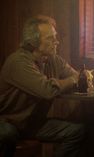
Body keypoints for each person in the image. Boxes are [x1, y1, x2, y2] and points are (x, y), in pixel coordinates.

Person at [0, 15, 84, 157]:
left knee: (77, 131)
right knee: (7, 133)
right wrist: (74, 79)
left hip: (31, 124)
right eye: (50, 39)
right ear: (33, 42)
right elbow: (47, 90)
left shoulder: (54, 60)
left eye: (55, 37)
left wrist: (82, 78)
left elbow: (78, 78)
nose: (56, 42)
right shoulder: (18, 62)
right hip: (6, 121)